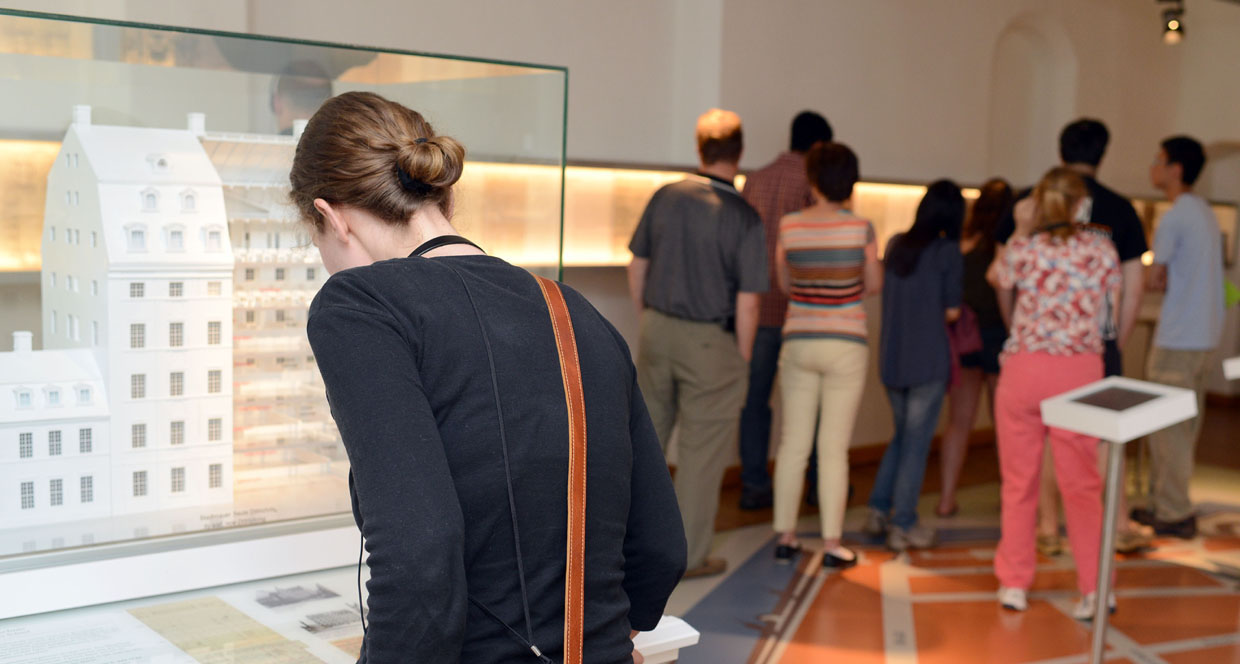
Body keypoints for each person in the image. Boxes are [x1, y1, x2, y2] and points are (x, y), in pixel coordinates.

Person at [294, 91, 686, 662]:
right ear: (444, 196)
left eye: (318, 244)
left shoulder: (360, 305)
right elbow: (661, 546)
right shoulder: (574, 309)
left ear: (331, 217)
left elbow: (419, 554)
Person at [994, 119, 1151, 554]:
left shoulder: (1029, 205)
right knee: (1091, 447)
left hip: (1030, 353)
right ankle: (1113, 529)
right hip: (1089, 350)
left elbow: (1003, 279)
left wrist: (1017, 333)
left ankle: (1046, 528)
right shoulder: (1118, 213)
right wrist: (1115, 342)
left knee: (1029, 460)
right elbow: (1132, 287)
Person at [627, 108, 767, 578]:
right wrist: (741, 359)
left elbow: (637, 266)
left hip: (657, 328)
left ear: (699, 148)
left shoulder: (666, 196)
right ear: (740, 152)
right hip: (712, 342)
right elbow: (749, 303)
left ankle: (625, 548)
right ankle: (685, 559)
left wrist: (648, 317)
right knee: (701, 456)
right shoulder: (745, 217)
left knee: (644, 442)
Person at [992, 168, 1120, 620]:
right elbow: (1110, 316)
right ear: (1081, 205)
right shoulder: (1102, 249)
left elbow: (998, 277)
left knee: (1019, 481)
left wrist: (1020, 227)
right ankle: (1096, 589)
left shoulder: (1026, 247)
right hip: (1079, 372)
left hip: (1024, 369)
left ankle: (1014, 582)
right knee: (1082, 486)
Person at [770, 141, 881, 568]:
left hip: (799, 337)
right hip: (846, 341)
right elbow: (874, 283)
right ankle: (833, 543)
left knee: (793, 443)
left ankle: (786, 537)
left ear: (812, 179)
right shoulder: (861, 228)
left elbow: (784, 283)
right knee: (833, 448)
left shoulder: (790, 226)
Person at [738, 111, 834, 511]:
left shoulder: (754, 180)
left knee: (755, 402)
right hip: (801, 313)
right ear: (818, 146)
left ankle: (753, 484)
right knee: (810, 405)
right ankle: (815, 484)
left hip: (757, 309)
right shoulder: (814, 187)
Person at [863, 180, 964, 551]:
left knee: (903, 437)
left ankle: (877, 510)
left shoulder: (896, 244)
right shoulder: (947, 252)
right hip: (927, 361)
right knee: (915, 445)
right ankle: (902, 524)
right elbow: (952, 311)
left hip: (893, 359)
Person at [1134, 135, 1224, 539]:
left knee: (1167, 427)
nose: (1152, 167)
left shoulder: (1175, 218)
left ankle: (1172, 509)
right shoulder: (1203, 212)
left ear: (1176, 169)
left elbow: (1154, 278)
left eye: (1158, 160)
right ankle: (1164, 502)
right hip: (1203, 336)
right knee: (1183, 426)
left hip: (1178, 337)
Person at [936, 178, 1013, 518]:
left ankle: (946, 498)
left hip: (965, 338)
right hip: (1000, 338)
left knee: (958, 422)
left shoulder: (961, 242)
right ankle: (1009, 499)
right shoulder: (1007, 246)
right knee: (1005, 426)